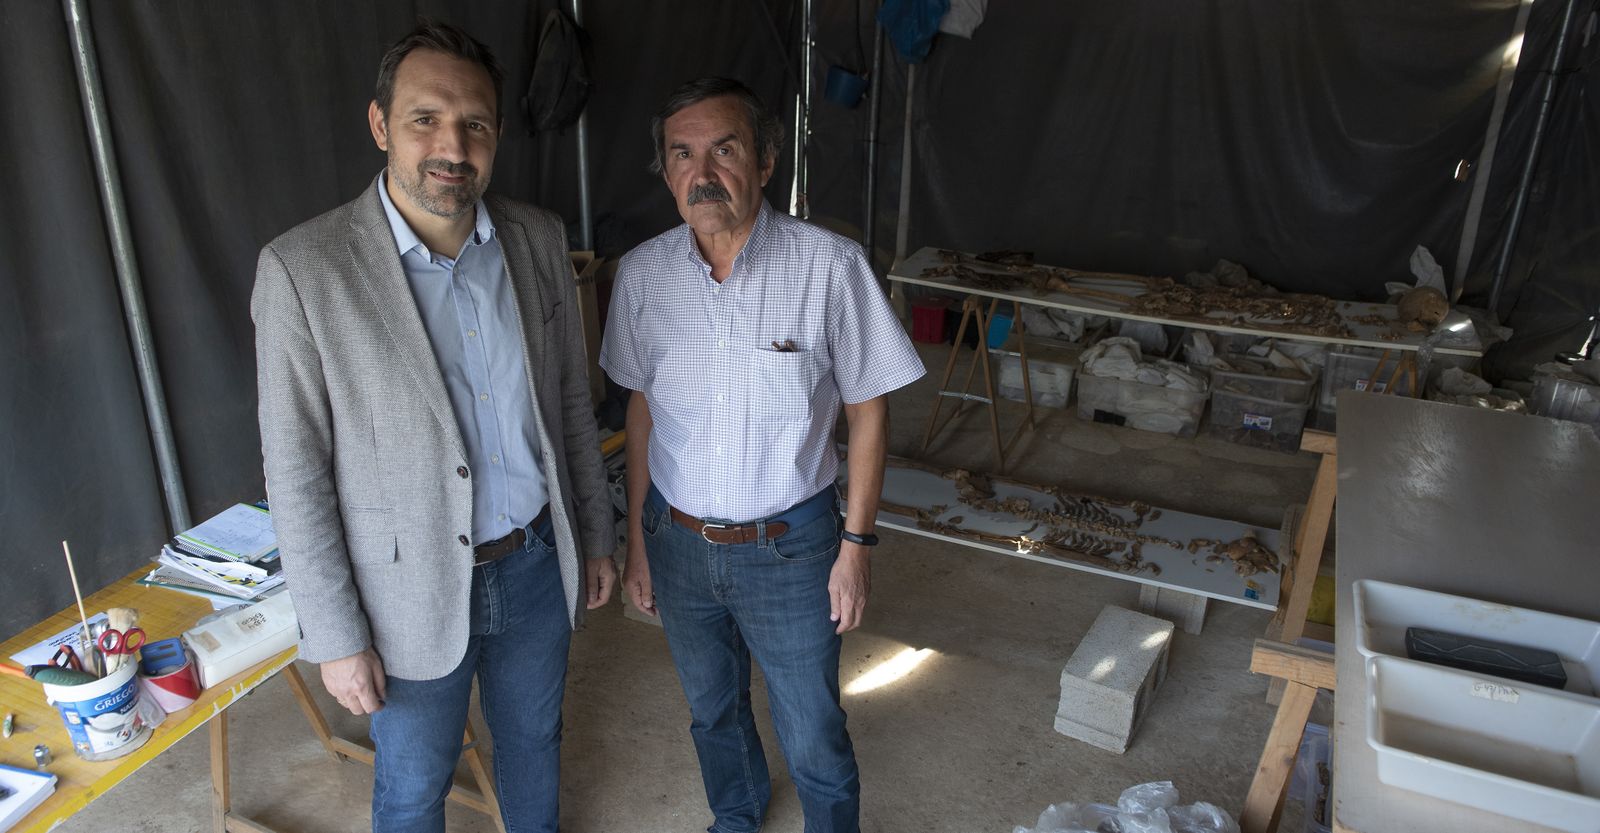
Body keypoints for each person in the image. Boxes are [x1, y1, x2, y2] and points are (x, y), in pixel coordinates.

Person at [252, 20, 614, 833]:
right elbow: (296, 473)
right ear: (380, 124)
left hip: (532, 566)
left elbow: (567, 405)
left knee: (534, 745)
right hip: (401, 592)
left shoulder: (538, 239)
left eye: (475, 123)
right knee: (414, 784)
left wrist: (594, 534)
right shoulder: (304, 271)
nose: (452, 144)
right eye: (425, 118)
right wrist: (336, 634)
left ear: (496, 134)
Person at [599, 77, 925, 833]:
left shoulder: (830, 266)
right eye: (681, 153)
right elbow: (641, 410)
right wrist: (639, 542)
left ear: (767, 160)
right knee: (712, 710)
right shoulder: (643, 275)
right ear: (666, 169)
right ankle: (736, 816)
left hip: (793, 545)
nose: (701, 171)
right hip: (677, 541)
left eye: (725, 148)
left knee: (810, 722)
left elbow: (867, 412)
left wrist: (857, 545)